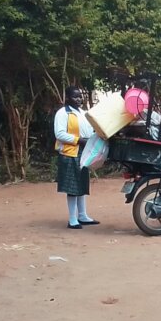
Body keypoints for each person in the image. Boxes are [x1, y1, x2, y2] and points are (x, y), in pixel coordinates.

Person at [54, 86, 98, 229]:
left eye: (80, 96)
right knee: (72, 187)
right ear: (67, 98)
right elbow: (59, 134)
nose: (79, 99)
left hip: (83, 152)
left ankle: (82, 215)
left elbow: (90, 131)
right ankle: (72, 219)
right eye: (75, 96)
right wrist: (78, 140)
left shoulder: (83, 113)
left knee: (81, 184)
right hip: (70, 152)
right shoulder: (62, 113)